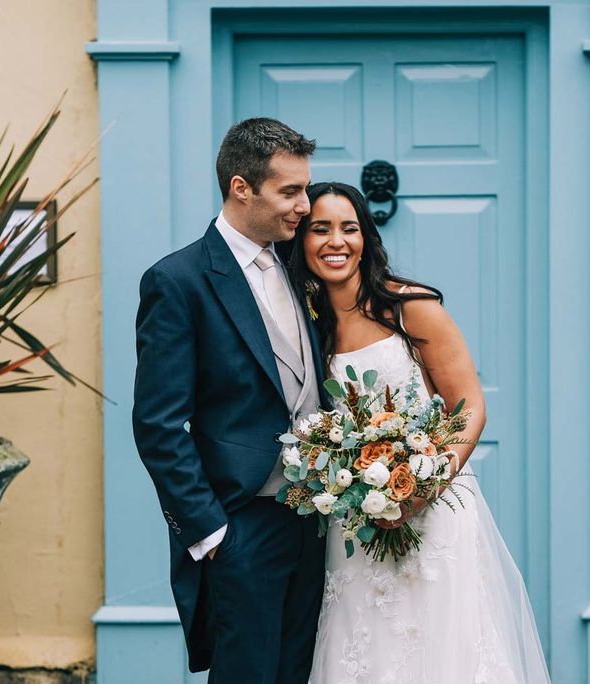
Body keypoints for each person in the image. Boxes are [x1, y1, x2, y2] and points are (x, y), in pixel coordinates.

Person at [289, 182, 551, 683]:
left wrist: (426, 485)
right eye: (319, 229)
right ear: (301, 240)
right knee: (367, 648)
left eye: (349, 227)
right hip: (356, 523)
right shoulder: (308, 324)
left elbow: (469, 405)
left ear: (366, 236)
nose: (335, 241)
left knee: (440, 648)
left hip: (434, 512)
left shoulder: (410, 306)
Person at [132, 118, 331, 684]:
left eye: (305, 189)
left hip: (317, 522)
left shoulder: (300, 266)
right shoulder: (178, 281)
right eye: (290, 191)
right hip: (242, 525)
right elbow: (158, 424)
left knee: (301, 671)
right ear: (241, 187)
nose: (304, 205)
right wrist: (212, 535)